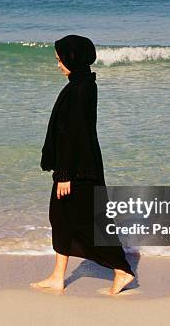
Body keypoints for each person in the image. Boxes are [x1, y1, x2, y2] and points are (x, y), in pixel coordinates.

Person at [31, 34, 135, 295]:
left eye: (60, 59)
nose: (58, 65)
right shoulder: (82, 83)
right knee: (62, 218)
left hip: (78, 170)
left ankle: (122, 270)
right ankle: (57, 276)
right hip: (79, 165)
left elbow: (73, 133)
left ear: (72, 58)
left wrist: (65, 173)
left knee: (89, 223)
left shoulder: (80, 89)